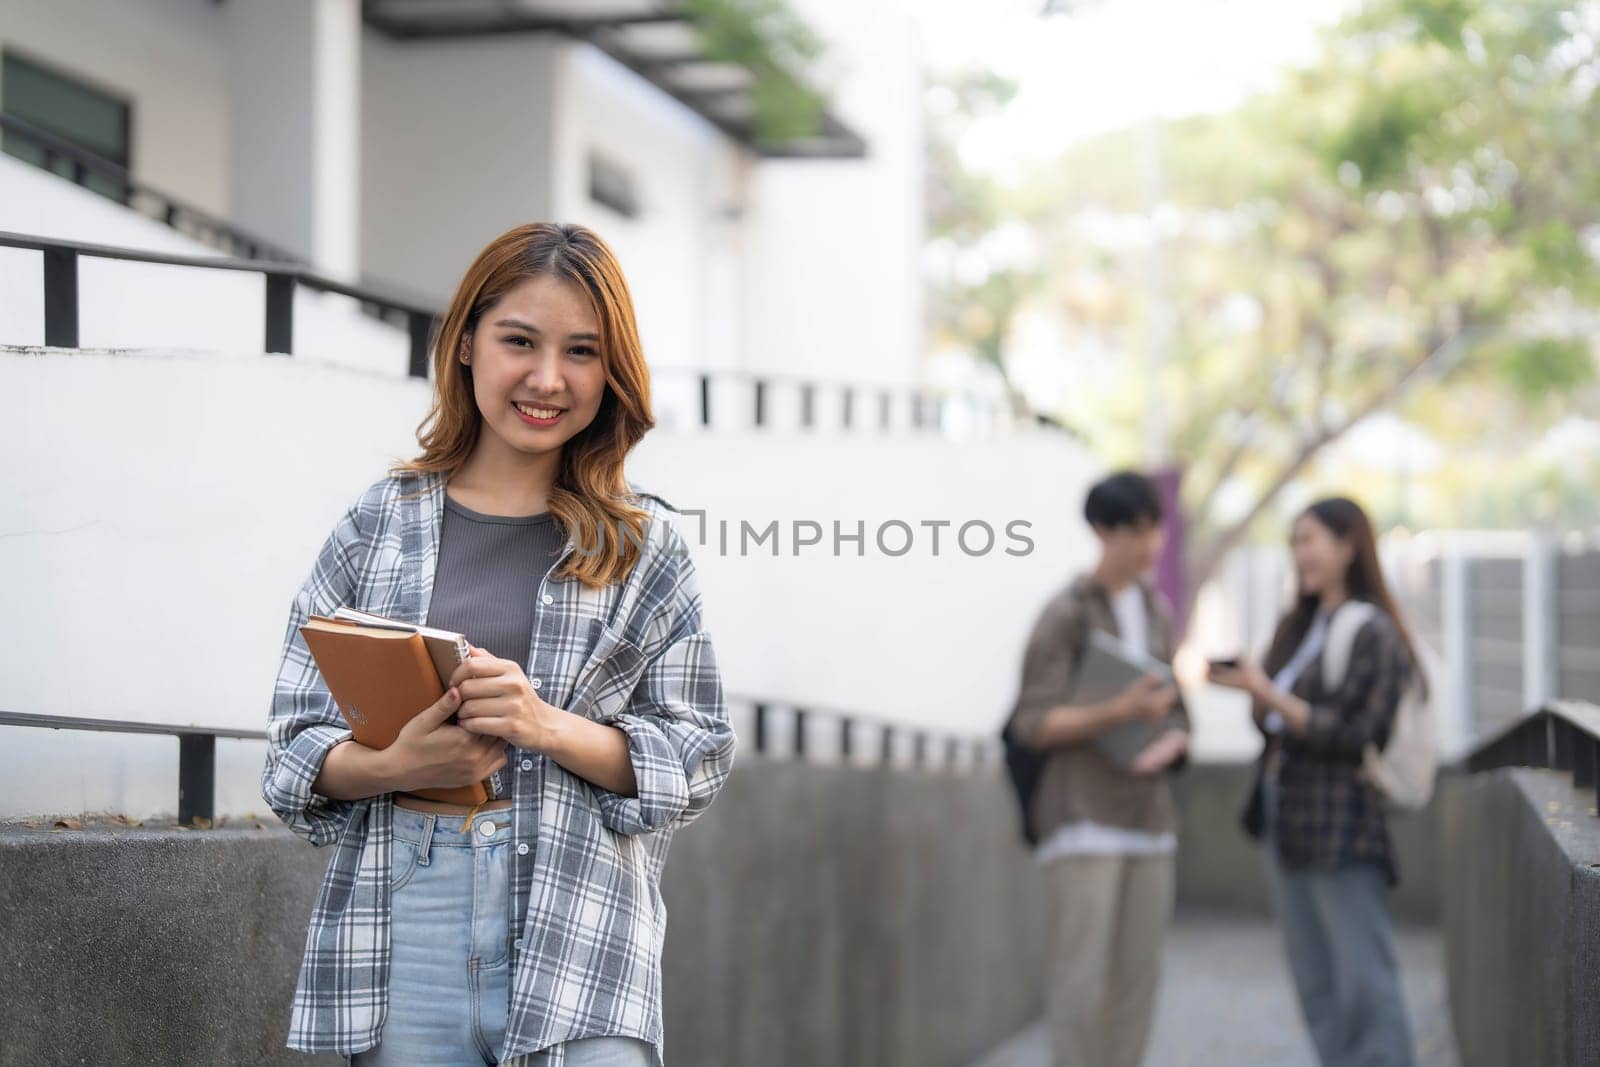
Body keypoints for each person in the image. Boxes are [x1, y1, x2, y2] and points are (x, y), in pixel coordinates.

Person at [261, 222, 737, 1066]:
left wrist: (543, 723)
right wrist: (395, 765)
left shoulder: (644, 545)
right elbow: (293, 748)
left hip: (582, 925)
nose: (548, 378)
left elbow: (697, 754)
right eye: (520, 340)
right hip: (409, 923)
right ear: (469, 343)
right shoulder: (379, 525)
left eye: (582, 351)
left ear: (611, 371)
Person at [1209, 496, 1420, 1067]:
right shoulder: (1300, 624)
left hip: (1342, 815)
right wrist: (1256, 692)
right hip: (1284, 806)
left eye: (1310, 539)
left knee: (1362, 974)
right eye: (1294, 541)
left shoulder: (1371, 628)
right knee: (1313, 973)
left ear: (1349, 544)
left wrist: (1268, 692)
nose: (1300, 553)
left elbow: (1358, 733)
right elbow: (1271, 721)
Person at [1007, 470, 1192, 1067]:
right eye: (1134, 531)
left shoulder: (1156, 611)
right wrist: (1121, 709)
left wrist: (1174, 739)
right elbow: (1032, 722)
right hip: (1082, 814)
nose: (1149, 544)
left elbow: (1174, 707)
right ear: (1101, 532)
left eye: (1155, 528)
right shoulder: (1066, 613)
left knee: (1139, 982)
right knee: (1079, 984)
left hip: (1150, 815)